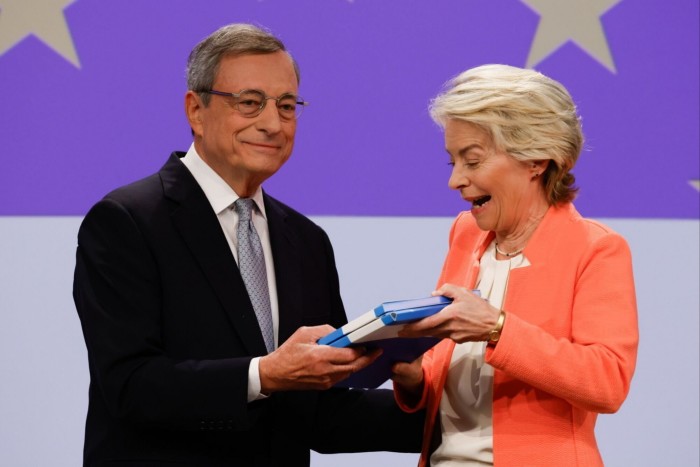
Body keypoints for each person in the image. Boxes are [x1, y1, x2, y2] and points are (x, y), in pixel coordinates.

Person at [73, 23, 423, 466]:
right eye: (250, 103)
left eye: (287, 105)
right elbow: (131, 386)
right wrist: (265, 374)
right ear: (195, 110)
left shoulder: (307, 240)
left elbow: (319, 413)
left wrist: (434, 407)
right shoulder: (127, 220)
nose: (273, 124)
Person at [391, 64, 639, 466]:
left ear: (535, 160)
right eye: (452, 161)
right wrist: (416, 378)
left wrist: (497, 328)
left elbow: (607, 381)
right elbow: (458, 369)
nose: (455, 180)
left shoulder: (596, 248)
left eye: (472, 161)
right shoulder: (465, 233)